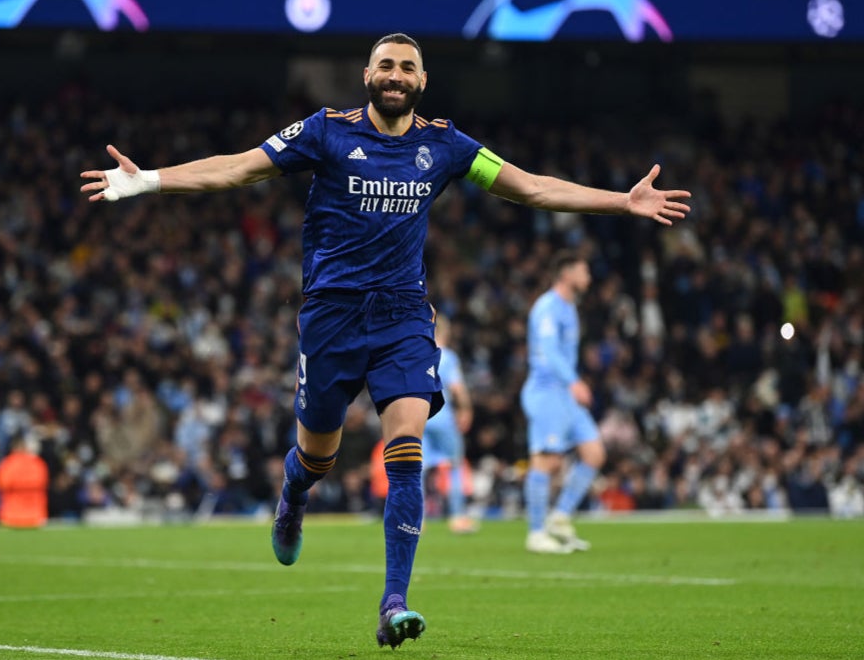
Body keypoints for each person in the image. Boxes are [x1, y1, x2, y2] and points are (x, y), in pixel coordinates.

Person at [80, 33, 691, 648]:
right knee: (318, 454)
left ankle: (393, 601)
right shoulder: (325, 131)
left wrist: (622, 202)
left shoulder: (447, 145)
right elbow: (236, 168)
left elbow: (530, 186)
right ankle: (294, 494)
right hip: (331, 316)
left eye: (407, 67)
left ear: (422, 81)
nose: (396, 75)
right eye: (386, 66)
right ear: (367, 74)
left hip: (403, 318)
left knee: (406, 445)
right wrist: (149, 180)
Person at [521, 250, 605, 554]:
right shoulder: (547, 307)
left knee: (594, 453)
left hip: (565, 393)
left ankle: (560, 516)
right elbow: (548, 351)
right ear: (567, 274)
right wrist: (574, 381)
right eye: (584, 270)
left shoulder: (570, 307)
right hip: (547, 391)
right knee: (548, 460)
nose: (589, 277)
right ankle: (535, 532)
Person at [421, 314, 477, 533]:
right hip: (443, 416)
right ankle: (457, 516)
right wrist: (466, 409)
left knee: (418, 468)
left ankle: (418, 519)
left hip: (422, 416)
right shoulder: (448, 356)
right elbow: (457, 387)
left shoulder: (420, 354)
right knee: (454, 465)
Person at [0, 434, 49, 528]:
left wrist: (17, 484)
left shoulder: (7, 464)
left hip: (12, 516)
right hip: (33, 515)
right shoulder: (37, 463)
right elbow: (42, 482)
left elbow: (2, 484)